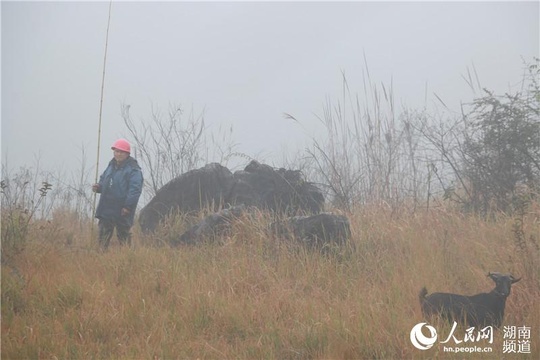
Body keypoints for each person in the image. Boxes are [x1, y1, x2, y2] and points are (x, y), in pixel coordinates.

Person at [92, 138, 143, 250]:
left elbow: (135, 190)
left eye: (121, 152)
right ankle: (101, 257)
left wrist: (127, 206)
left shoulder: (134, 170)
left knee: (123, 237)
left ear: (127, 154)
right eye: (116, 151)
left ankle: (127, 259)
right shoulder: (111, 166)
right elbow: (104, 180)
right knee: (103, 237)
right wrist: (99, 187)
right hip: (107, 207)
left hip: (123, 210)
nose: (118, 154)